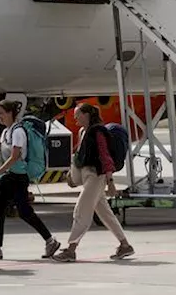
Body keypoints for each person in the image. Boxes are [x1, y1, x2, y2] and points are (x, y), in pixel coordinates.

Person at [53, 103, 135, 262]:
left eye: (78, 114)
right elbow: (79, 155)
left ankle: (71, 249)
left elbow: (105, 157)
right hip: (87, 177)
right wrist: (72, 174)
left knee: (81, 210)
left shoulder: (98, 132)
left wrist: (110, 182)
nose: (75, 117)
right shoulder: (83, 132)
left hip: (96, 176)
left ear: (87, 115)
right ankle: (125, 245)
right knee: (106, 214)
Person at [0, 100, 60, 260]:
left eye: (1, 113)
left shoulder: (18, 132)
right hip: (10, 177)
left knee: (20, 212)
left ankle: (50, 240)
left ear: (10, 113)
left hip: (18, 177)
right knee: (2, 210)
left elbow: (15, 157)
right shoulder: (6, 131)